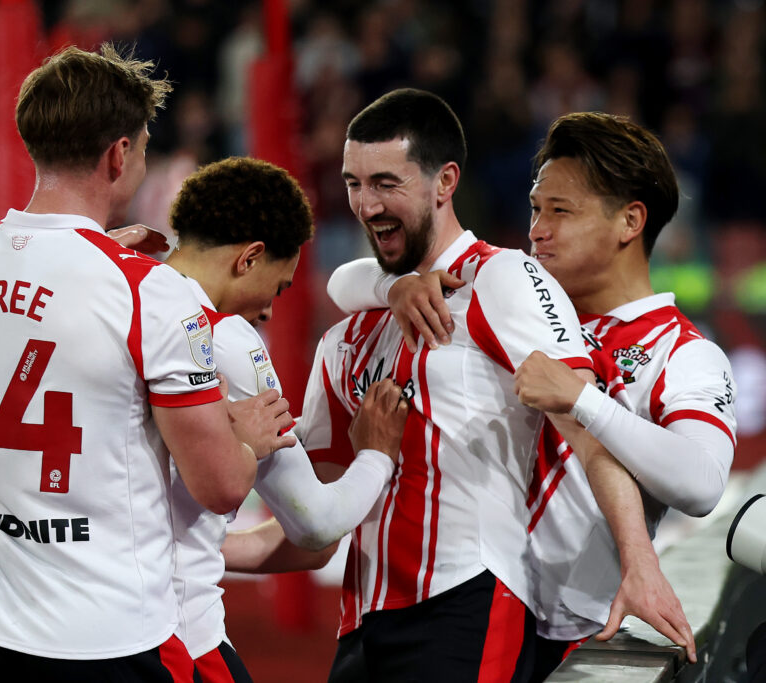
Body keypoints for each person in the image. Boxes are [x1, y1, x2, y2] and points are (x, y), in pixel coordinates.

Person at [0, 45, 294, 681]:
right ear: (119, 154)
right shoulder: (152, 293)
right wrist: (249, 440)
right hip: (106, 640)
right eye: (143, 147)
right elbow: (222, 485)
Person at [328, 112, 733, 678]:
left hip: (581, 632)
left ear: (630, 221)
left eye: (561, 211)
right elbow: (344, 281)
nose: (539, 229)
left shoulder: (683, 352)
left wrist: (584, 400)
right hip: (482, 605)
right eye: (536, 208)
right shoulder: (509, 298)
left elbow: (702, 483)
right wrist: (391, 283)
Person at [296, 88, 595, 681]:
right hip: (364, 617)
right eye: (354, 184)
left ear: (445, 181)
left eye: (386, 182)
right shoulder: (351, 335)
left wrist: (636, 563)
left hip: (469, 598)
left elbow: (585, 420)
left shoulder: (502, 277)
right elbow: (318, 504)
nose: (366, 204)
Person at [162, 156, 408, 682]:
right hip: (175, 635)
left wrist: (187, 545)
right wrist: (377, 454)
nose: (272, 312)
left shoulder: (118, 292)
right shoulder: (220, 335)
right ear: (250, 258)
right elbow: (315, 526)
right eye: (278, 287)